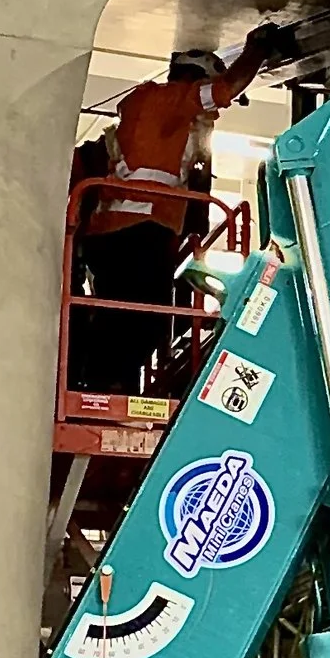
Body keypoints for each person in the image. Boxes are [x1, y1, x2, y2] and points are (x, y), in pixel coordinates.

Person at [69, 28, 289, 393]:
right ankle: (103, 385)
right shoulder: (169, 100)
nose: (211, 117)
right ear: (196, 79)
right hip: (138, 228)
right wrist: (258, 49)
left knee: (129, 316)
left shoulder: (153, 118)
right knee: (145, 319)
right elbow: (225, 89)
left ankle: (102, 383)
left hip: (124, 231)